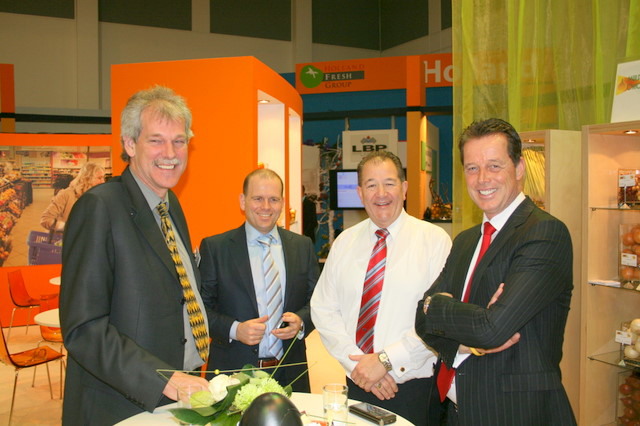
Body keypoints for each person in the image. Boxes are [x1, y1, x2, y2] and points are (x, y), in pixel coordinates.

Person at [59, 86, 210, 425]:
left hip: (175, 399)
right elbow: (83, 328)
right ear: (129, 144)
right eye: (156, 140)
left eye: (179, 141)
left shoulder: (171, 206)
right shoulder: (99, 208)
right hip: (119, 405)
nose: (170, 153)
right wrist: (163, 379)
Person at [415, 118, 576, 425]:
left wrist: (436, 306)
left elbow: (493, 329)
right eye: (472, 168)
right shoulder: (465, 241)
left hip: (515, 415)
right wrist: (466, 339)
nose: (482, 178)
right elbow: (421, 321)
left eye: (494, 166)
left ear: (519, 168)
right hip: (456, 412)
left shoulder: (544, 234)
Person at [310, 151, 452, 425]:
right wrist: (359, 365)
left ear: (404, 188)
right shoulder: (344, 243)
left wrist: (385, 361)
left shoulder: (435, 241)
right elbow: (323, 309)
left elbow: (437, 319)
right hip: (357, 381)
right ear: (360, 193)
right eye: (371, 185)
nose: (381, 193)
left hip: (413, 387)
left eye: (389, 183)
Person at [199, 168, 318, 392]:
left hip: (290, 372)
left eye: (273, 199)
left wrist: (301, 322)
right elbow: (199, 309)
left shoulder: (302, 246)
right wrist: (235, 329)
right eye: (258, 199)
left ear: (282, 203)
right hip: (233, 374)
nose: (266, 207)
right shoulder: (216, 248)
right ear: (242, 201)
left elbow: (318, 301)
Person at [40, 162, 105, 231]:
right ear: (87, 178)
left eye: (103, 178)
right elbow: (45, 219)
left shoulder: (98, 197)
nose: (103, 182)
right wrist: (67, 227)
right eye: (99, 178)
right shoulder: (66, 194)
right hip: (67, 236)